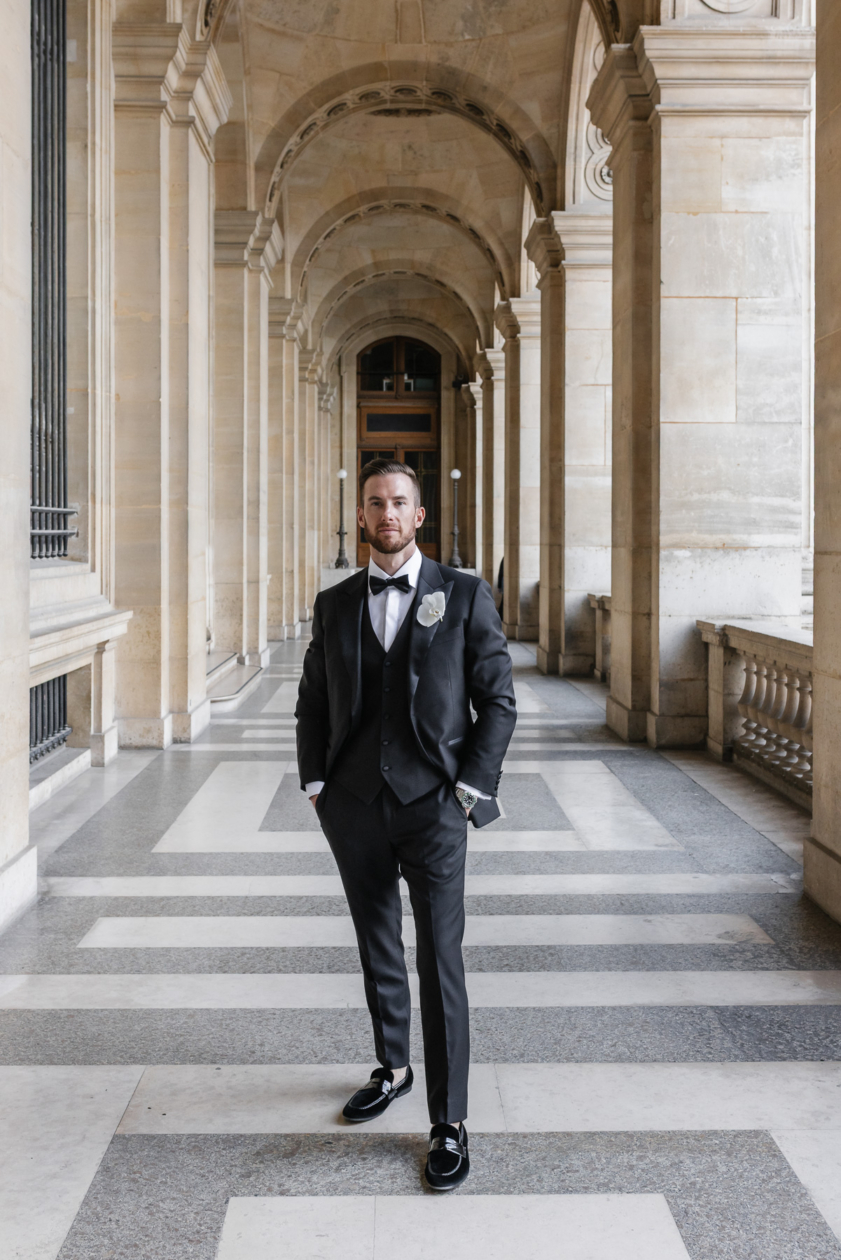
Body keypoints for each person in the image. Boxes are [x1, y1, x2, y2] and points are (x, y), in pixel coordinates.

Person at [295, 458, 516, 1191]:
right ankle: (392, 1067)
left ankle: (448, 1120)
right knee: (377, 942)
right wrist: (318, 786)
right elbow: (313, 701)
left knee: (440, 956)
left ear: (418, 516)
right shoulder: (334, 604)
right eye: (374, 503)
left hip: (434, 806)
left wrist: (467, 791)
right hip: (353, 806)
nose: (386, 513)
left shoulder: (464, 594)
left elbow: (498, 702)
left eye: (398, 503)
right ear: (360, 516)